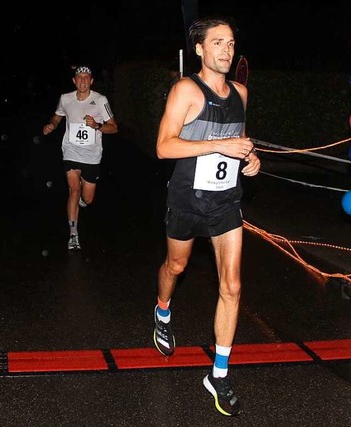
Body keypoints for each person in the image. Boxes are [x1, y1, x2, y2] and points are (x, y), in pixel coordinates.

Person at [151, 17, 260, 417]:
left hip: (225, 202)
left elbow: (239, 144)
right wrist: (222, 144)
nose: (227, 50)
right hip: (186, 198)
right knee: (175, 265)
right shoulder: (186, 89)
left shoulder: (241, 93)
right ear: (199, 49)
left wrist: (251, 160)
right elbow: (164, 147)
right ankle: (162, 309)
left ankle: (218, 372)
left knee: (231, 285)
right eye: (218, 43)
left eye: (231, 43)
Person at [42, 65, 118, 250]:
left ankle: (83, 201)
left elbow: (114, 127)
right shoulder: (65, 99)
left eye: (87, 78)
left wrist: (97, 125)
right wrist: (51, 125)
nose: (83, 81)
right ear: (74, 81)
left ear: (91, 81)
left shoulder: (100, 100)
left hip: (92, 155)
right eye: (79, 77)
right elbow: (57, 117)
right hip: (71, 151)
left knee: (88, 199)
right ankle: (73, 235)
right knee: (73, 190)